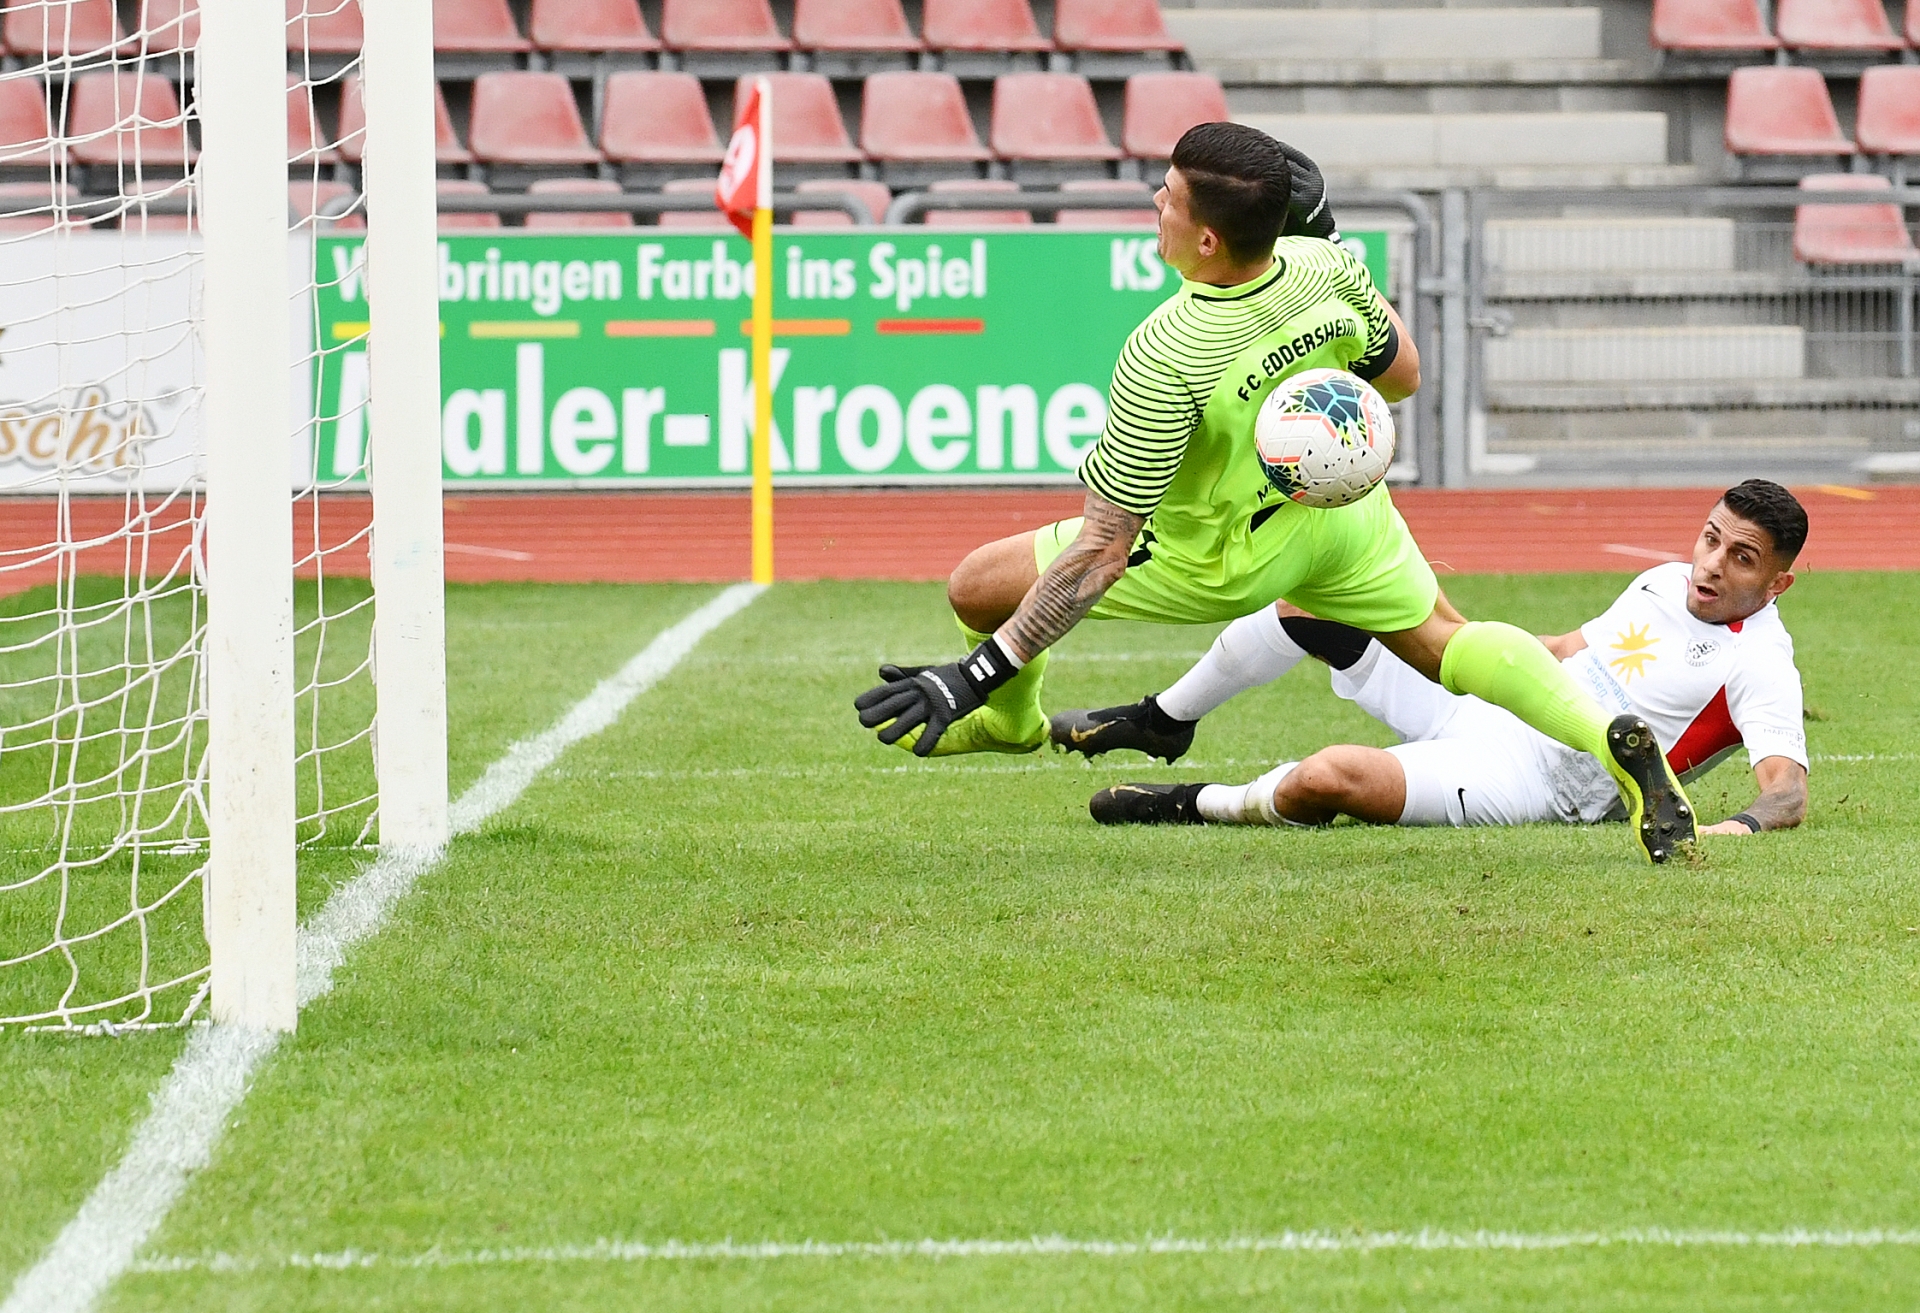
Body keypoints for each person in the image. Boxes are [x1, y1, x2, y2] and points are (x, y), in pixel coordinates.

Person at [853, 122, 1695, 863]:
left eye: (1169, 195)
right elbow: (1402, 376)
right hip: (1343, 520)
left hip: (1221, 557)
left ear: (1206, 239)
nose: (1156, 201)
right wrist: (1328, 248)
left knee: (976, 585)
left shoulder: (1163, 352)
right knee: (1446, 640)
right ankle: (1607, 740)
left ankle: (1009, 721)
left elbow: (1101, 554)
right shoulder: (1324, 262)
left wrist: (977, 673)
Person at [1074, 481, 1810, 839]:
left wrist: (1729, 831)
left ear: (1778, 582)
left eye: (1741, 557)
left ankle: (1195, 802)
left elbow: (1787, 794)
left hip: (1529, 780)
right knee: (1309, 603)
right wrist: (1448, 632)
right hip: (1500, 699)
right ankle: (1164, 718)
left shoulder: (1761, 662)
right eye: (1711, 538)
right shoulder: (1662, 580)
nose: (1711, 564)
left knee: (1326, 777)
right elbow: (1560, 652)